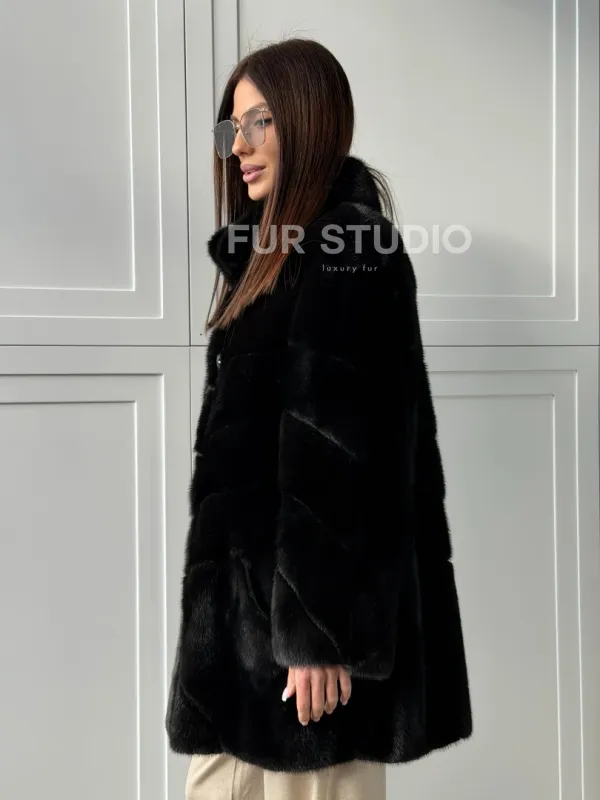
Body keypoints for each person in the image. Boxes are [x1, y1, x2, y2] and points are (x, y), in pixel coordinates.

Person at [165, 37, 473, 799]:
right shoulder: (274, 253)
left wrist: (319, 635)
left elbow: (342, 458)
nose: (238, 146)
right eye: (231, 126)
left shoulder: (345, 251)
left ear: (309, 118)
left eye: (260, 121)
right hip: (248, 637)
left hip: (304, 651)